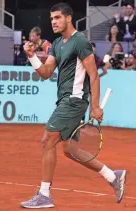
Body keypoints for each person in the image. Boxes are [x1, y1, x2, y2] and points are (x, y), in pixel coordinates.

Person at [21, 2, 127, 209]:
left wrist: (95, 107)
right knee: (70, 149)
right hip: (64, 101)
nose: (54, 22)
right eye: (52, 18)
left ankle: (44, 194)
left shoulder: (80, 42)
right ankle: (112, 176)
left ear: (69, 18)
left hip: (74, 101)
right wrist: (32, 56)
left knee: (48, 139)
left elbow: (94, 75)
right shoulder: (58, 43)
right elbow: (45, 73)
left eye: (58, 17)